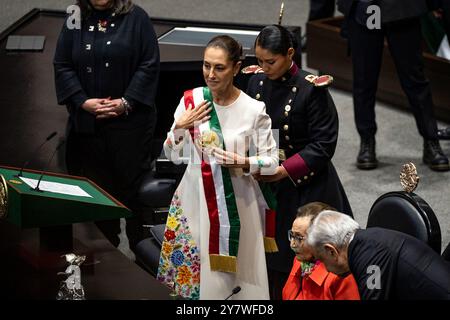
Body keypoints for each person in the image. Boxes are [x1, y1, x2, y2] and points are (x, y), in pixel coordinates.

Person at [156, 35, 279, 300]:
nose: (210, 75)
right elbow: (173, 155)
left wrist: (243, 162)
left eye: (219, 68)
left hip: (237, 206)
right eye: (206, 65)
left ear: (236, 68)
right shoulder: (191, 101)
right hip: (194, 199)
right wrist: (179, 127)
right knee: (194, 279)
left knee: (236, 282)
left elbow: (271, 163)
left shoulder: (254, 109)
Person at [246, 24, 353, 300]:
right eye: (259, 61)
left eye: (270, 61)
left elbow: (323, 145)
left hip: (306, 183)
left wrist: (283, 171)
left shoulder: (311, 89)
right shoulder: (255, 82)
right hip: (268, 182)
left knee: (305, 255)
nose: (264, 67)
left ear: (290, 53)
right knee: (270, 255)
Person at [54, 0, 160, 251]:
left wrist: (126, 102)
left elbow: (149, 64)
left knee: (133, 197)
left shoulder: (137, 18)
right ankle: (105, 259)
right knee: (98, 200)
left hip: (129, 128)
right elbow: (63, 64)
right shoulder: (75, 15)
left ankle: (142, 254)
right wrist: (82, 101)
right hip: (89, 129)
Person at [337, 0, 449, 171]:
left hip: (401, 8)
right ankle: (367, 141)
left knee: (414, 79)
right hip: (364, 7)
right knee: (364, 79)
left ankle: (431, 141)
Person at [307, 210, 450, 300]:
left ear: (331, 250)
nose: (326, 268)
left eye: (322, 260)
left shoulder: (369, 259)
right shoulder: (367, 239)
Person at [283, 202, 359, 300]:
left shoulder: (341, 275)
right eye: (292, 235)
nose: (292, 244)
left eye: (299, 238)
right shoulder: (300, 260)